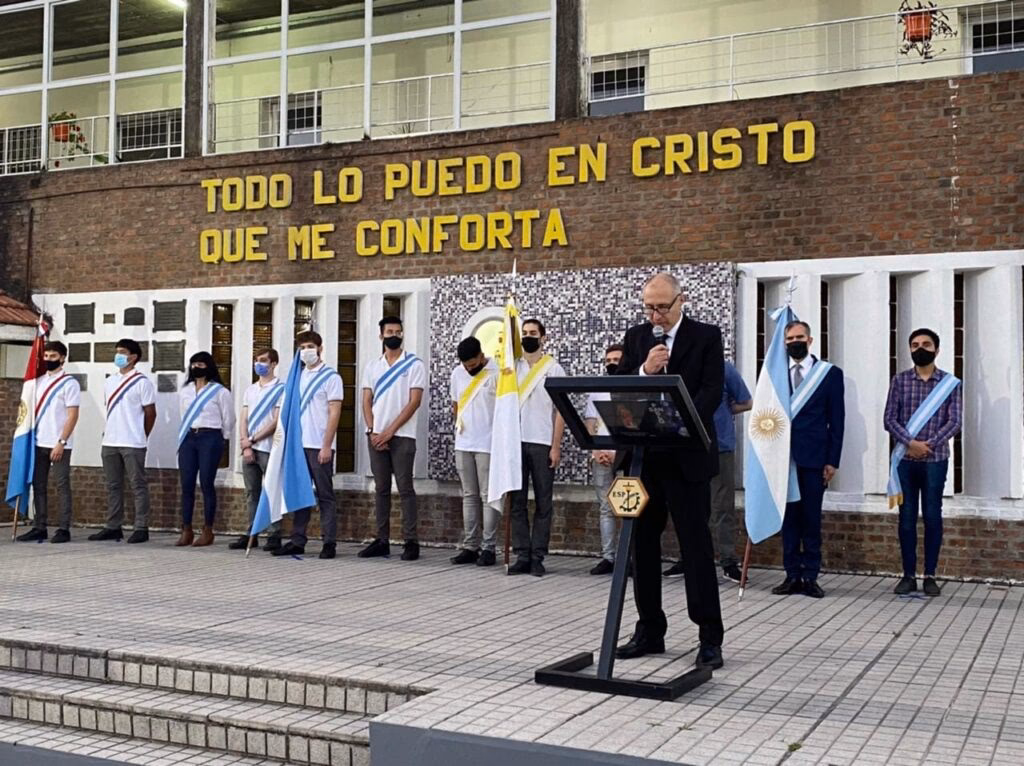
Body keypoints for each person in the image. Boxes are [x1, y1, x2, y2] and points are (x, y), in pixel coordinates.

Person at [613, 273, 725, 670]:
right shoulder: (637, 338)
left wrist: (679, 419)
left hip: (686, 458)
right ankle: (650, 630)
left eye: (662, 307)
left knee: (696, 548)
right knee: (642, 547)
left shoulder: (706, 336)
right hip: (646, 459)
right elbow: (619, 386)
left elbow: (712, 391)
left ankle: (709, 636)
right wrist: (645, 370)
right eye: (649, 307)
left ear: (682, 301)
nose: (655, 315)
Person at [884, 328, 962, 597]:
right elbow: (889, 419)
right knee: (906, 518)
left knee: (931, 516)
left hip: (935, 460)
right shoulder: (900, 380)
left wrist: (928, 446)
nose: (920, 348)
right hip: (905, 461)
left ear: (937, 350)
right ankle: (907, 575)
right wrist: (911, 443)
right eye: (915, 344)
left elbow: (955, 421)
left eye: (926, 344)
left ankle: (930, 575)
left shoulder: (950, 383)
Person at [771, 321, 845, 600]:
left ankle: (811, 575)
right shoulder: (776, 374)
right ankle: (791, 574)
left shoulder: (829, 374)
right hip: (784, 458)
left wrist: (832, 460)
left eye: (799, 337)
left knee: (811, 518)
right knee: (789, 519)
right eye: (790, 339)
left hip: (815, 458)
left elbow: (837, 420)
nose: (795, 342)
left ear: (810, 340)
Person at [661, 361, 752, 582]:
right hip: (686, 446)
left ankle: (728, 561)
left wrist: (720, 410)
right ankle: (688, 558)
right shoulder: (674, 366)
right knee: (687, 508)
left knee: (722, 506)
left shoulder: (723, 368)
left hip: (720, 446)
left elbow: (746, 402)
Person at [358, 316, 426, 562]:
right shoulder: (372, 367)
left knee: (406, 489)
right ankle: (382, 539)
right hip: (376, 437)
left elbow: (414, 401)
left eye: (398, 331)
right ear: (381, 336)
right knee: (381, 489)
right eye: (389, 331)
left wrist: (389, 431)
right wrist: (373, 429)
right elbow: (366, 400)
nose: (394, 335)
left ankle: (410, 541)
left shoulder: (414, 365)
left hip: (403, 436)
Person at [272, 331, 343, 559]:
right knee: (300, 494)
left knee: (325, 495)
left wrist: (326, 445)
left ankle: (329, 541)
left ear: (320, 348)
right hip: (297, 445)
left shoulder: (331, 377)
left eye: (310, 346)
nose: (306, 351)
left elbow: (334, 412)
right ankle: (297, 539)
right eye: (302, 347)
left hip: (318, 444)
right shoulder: (297, 377)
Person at [509, 318, 566, 577]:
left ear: (544, 337)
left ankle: (538, 556)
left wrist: (556, 446)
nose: (529, 337)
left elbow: (560, 412)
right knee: (517, 502)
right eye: (525, 333)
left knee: (544, 502)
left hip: (543, 442)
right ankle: (521, 554)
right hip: (516, 442)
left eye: (533, 333)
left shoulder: (554, 369)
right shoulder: (512, 368)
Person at [89, 339, 156, 544]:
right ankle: (113, 526)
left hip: (133, 441)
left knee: (137, 485)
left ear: (133, 357)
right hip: (110, 440)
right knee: (113, 485)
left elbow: (150, 413)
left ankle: (141, 527)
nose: (118, 355)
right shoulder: (110, 381)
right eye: (117, 351)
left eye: (123, 352)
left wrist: (141, 434)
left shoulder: (142, 382)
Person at [16, 341, 80, 544]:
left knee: (62, 485)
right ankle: (39, 526)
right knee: (39, 485)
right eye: (46, 356)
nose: (48, 360)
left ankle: (63, 528)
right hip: (38, 442)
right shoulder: (38, 381)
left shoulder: (70, 383)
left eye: (53, 356)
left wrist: (61, 441)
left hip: (59, 442)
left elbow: (72, 416)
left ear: (62, 358)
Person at [175, 351, 235, 548]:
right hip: (189, 437)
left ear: (208, 367)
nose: (196, 368)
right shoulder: (185, 391)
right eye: (193, 364)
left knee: (206, 483)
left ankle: (208, 529)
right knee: (187, 484)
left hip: (210, 436)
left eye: (201, 364)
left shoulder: (219, 391)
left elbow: (229, 418)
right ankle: (186, 529)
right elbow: (183, 414)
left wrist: (222, 438)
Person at [449, 336, 499, 567]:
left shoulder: (497, 372)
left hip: (488, 443)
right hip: (464, 442)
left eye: (473, 365)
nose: (470, 369)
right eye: (466, 366)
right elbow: (455, 405)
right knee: (469, 495)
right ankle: (470, 545)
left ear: (481, 355)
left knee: (488, 496)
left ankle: (489, 546)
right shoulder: (457, 374)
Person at [230, 348, 284, 551]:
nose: (258, 364)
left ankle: (274, 533)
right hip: (249, 448)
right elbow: (243, 417)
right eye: (256, 361)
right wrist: (245, 443)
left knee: (271, 491)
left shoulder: (281, 388)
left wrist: (253, 439)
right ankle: (251, 532)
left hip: (268, 447)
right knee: (252, 492)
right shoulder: (251, 389)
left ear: (273, 364)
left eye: (263, 361)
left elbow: (276, 421)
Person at [584, 343, 624, 575]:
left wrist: (619, 453)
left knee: (630, 508)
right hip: (601, 455)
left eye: (616, 359)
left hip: (624, 457)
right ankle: (608, 557)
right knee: (606, 508)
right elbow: (590, 422)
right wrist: (595, 449)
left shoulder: (634, 385)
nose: (612, 364)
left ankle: (629, 557)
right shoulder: (598, 388)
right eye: (608, 360)